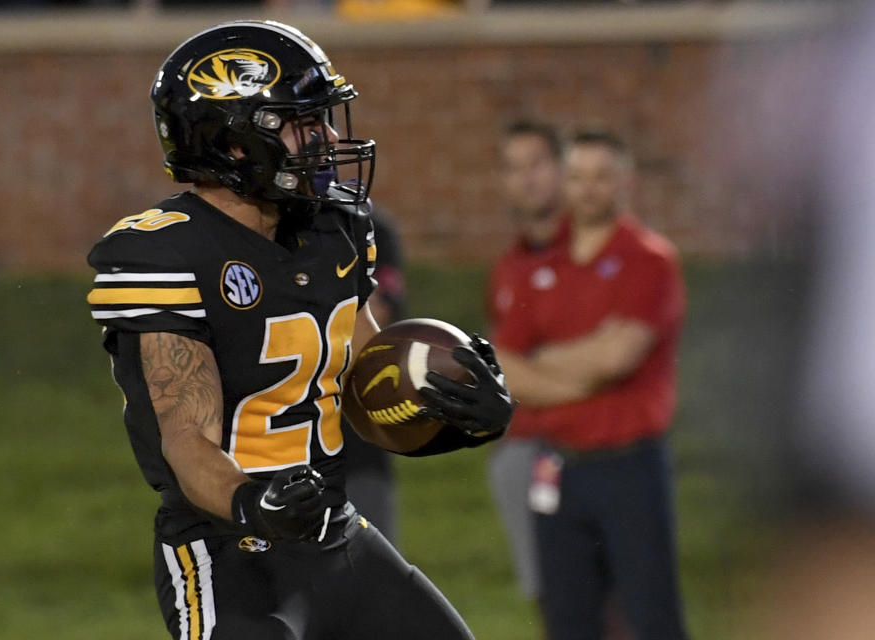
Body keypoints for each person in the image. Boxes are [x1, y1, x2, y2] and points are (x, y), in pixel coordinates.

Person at [85, 20, 513, 640]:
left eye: (324, 120)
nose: (328, 139)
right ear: (235, 143)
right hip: (225, 545)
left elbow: (367, 384)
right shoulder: (167, 252)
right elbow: (187, 441)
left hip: (333, 530)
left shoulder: (331, 224)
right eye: (303, 123)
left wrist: (451, 409)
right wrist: (255, 504)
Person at [492, 127, 690, 640]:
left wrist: (541, 364)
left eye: (602, 176)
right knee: (568, 621)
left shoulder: (649, 259)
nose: (588, 188)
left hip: (628, 467)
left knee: (651, 618)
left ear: (627, 182)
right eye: (578, 176)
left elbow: (619, 357)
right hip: (555, 468)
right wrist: (582, 364)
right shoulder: (533, 264)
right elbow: (506, 372)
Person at [486, 118, 563, 604]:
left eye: (536, 163)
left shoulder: (597, 250)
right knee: (553, 599)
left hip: (588, 446)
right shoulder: (508, 270)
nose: (527, 178)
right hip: (526, 453)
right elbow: (504, 370)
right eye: (514, 168)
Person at [340, 204, 407, 543]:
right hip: (278, 449)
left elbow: (377, 315)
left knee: (373, 570)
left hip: (358, 437)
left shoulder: (371, 226)